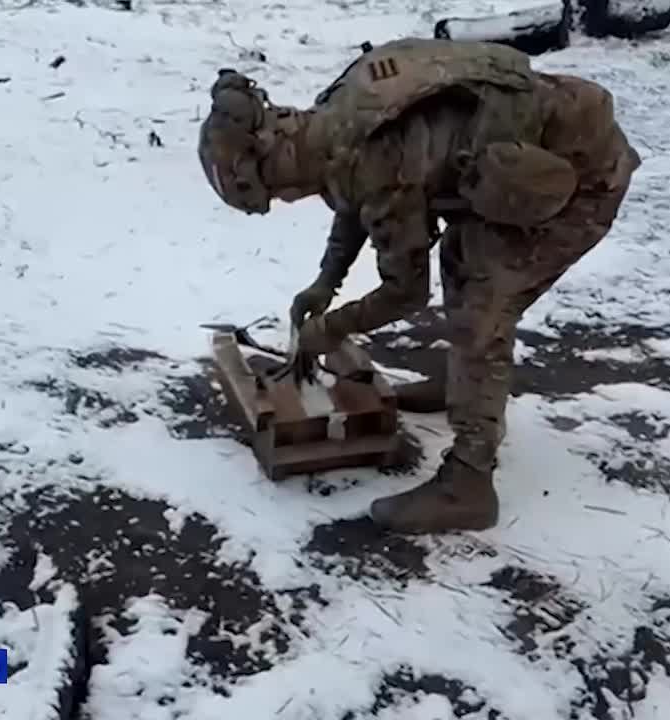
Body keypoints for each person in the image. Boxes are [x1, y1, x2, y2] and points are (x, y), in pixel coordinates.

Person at [198, 37, 641, 534]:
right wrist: (327, 280)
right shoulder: (329, 124)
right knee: (465, 259)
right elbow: (355, 198)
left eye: (276, 193)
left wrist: (332, 329)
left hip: (582, 175)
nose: (287, 198)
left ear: (275, 165)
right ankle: (464, 387)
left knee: (482, 300)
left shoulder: (368, 162)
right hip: (536, 142)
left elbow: (405, 291)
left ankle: (469, 483)